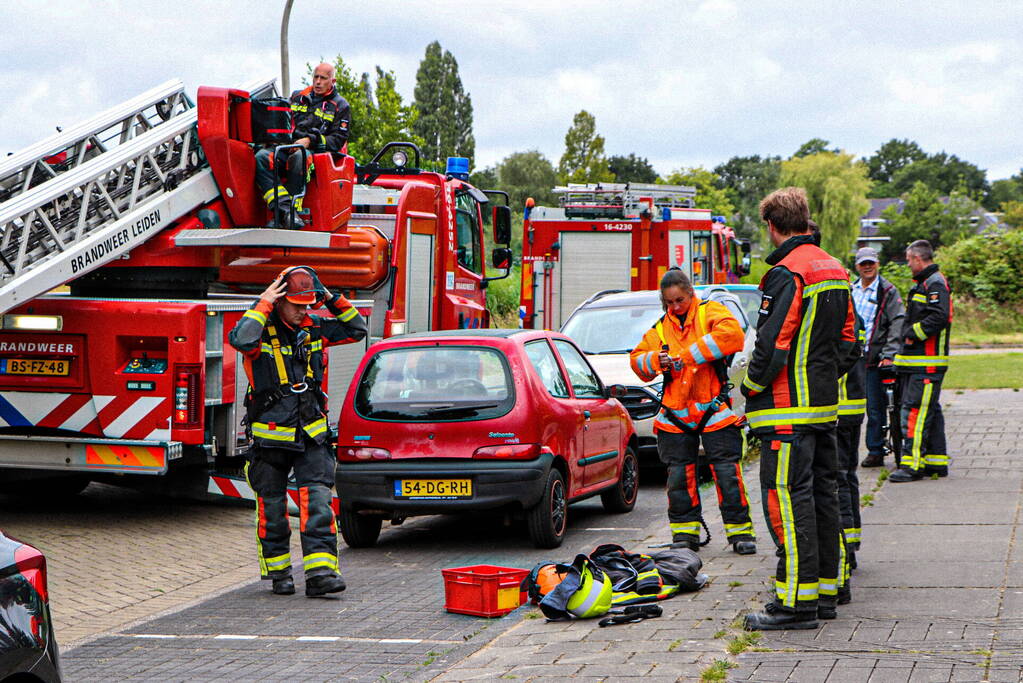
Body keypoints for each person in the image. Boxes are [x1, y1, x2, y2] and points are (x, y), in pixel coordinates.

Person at [740, 188, 860, 631]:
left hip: (785, 412)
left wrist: (751, 388)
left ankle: (795, 603)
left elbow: (771, 345)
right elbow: (850, 343)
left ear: (772, 226)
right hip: (823, 409)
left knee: (788, 502)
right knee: (824, 497)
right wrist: (822, 379)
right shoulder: (835, 269)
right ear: (805, 219)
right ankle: (828, 590)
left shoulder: (786, 273)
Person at [228, 266, 367, 596]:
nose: (304, 311)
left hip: (311, 435)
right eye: (297, 305)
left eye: (308, 304)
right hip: (270, 438)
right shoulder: (260, 333)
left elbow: (357, 329)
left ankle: (321, 575)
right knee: (273, 510)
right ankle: (279, 573)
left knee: (318, 502)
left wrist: (329, 297)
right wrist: (263, 302)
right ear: (279, 300)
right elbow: (240, 339)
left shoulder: (315, 328)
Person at [630, 268, 757, 556]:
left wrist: (687, 356)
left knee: (727, 473)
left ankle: (740, 533)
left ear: (690, 294)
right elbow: (637, 361)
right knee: (679, 478)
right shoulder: (661, 328)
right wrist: (657, 360)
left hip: (713, 409)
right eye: (669, 302)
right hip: (676, 414)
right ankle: (685, 535)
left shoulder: (710, 311)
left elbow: (732, 336)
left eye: (680, 300)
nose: (675, 307)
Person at [255, 62, 351, 229]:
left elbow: (337, 140)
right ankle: (285, 212)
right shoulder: (297, 96)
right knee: (262, 157)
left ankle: (291, 211)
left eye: (323, 78)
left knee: (299, 157)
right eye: (316, 77)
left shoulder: (341, 105)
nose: (318, 82)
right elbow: (283, 122)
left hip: (315, 153)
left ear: (333, 81)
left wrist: (309, 141)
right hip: (287, 146)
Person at [889, 240, 952, 482]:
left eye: (908, 260)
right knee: (929, 411)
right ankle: (935, 463)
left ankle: (911, 465)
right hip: (917, 363)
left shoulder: (934, 283)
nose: (908, 264)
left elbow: (939, 317)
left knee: (914, 411)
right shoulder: (925, 283)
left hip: (926, 363)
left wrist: (911, 333)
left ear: (918, 258)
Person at [852, 247, 906, 467]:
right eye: (863, 264)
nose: (867, 267)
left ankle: (875, 450)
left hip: (875, 358)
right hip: (852, 359)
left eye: (871, 263)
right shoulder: (851, 289)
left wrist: (890, 353)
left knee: (876, 408)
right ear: (857, 266)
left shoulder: (887, 291)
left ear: (877, 264)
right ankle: (847, 451)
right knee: (851, 408)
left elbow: (897, 322)